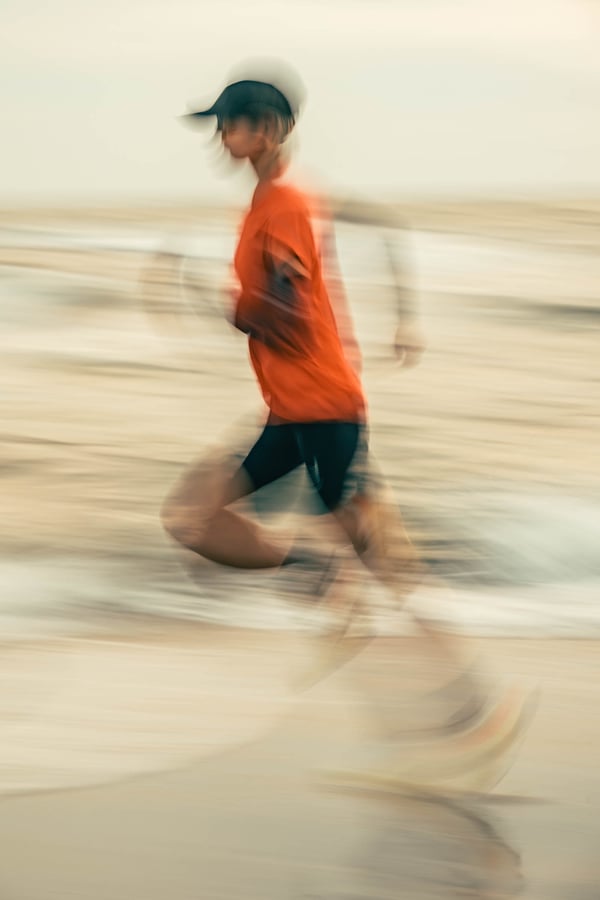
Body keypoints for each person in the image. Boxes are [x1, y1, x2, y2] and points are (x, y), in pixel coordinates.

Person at [154, 62, 533, 768]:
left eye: (230, 125)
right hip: (294, 412)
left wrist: (218, 300)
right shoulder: (279, 199)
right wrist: (403, 317)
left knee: (388, 569)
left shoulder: (284, 204)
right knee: (195, 519)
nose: (220, 138)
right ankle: (323, 577)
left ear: (269, 129)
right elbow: (371, 237)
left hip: (323, 412)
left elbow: (288, 313)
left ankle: (477, 712)